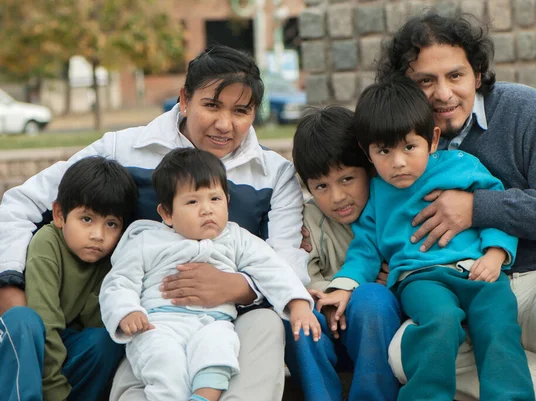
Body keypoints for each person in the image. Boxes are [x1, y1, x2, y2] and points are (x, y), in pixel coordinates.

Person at [0, 44, 308, 401]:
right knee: (149, 357)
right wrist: (10, 282)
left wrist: (236, 287)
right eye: (211, 105)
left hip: (230, 319)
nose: (225, 124)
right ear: (185, 98)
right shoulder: (124, 149)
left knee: (268, 324)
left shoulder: (273, 174)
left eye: (241, 111)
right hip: (148, 318)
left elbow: (286, 261)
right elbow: (21, 203)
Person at [378, 10, 536, 401]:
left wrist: (477, 208)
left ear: (477, 75)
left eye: (455, 76)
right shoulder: (396, 141)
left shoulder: (525, 109)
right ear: (405, 86)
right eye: (425, 81)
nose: (443, 94)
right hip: (457, 301)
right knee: (401, 355)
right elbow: (361, 207)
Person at [317, 77, 535, 401]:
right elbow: (364, 249)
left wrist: (495, 254)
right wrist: (343, 285)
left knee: (499, 320)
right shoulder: (376, 193)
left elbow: (496, 208)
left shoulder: (461, 167)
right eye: (384, 151)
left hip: (479, 269)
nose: (399, 162)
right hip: (421, 280)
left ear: (432, 139)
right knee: (440, 322)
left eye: (409, 146)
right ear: (368, 152)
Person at [100, 148, 318, 401]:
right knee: (164, 363)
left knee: (219, 350)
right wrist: (126, 311)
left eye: (215, 199)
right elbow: (119, 281)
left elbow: (272, 268)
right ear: (167, 213)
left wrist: (298, 303)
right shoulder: (147, 241)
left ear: (227, 200)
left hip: (214, 323)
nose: (206, 210)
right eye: (193, 202)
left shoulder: (236, 238)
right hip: (160, 325)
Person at [287, 106, 401, 401]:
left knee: (371, 299)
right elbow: (304, 278)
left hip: (380, 333)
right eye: (321, 186)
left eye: (347, 179)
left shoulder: (394, 206)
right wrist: (332, 295)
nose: (337, 197)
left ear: (370, 167)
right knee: (296, 317)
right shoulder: (306, 220)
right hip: (328, 330)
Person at [24, 156, 138, 401]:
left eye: (111, 224)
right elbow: (46, 323)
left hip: (75, 346)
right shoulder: (48, 244)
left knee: (104, 341)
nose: (98, 235)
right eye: (87, 219)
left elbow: (97, 321)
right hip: (39, 346)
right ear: (59, 215)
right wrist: (56, 393)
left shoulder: (115, 256)